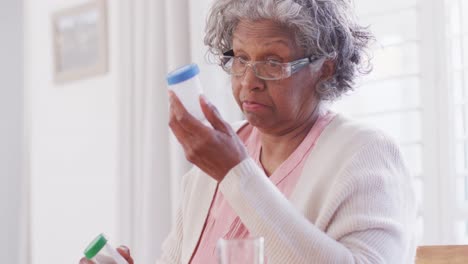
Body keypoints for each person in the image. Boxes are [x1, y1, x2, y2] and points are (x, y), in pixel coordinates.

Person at [81, 0, 416, 263]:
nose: (249, 82)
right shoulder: (217, 156)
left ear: (323, 69)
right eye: (241, 59)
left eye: (272, 62)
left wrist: (235, 173)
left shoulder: (365, 152)